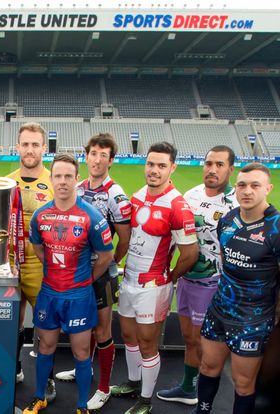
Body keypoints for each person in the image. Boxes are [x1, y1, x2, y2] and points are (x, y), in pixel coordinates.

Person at [195, 162, 280, 414]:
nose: (247, 191)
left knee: (243, 384)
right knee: (208, 367)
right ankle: (201, 411)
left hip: (252, 320)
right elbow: (226, 260)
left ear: (268, 188)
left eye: (255, 185)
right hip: (219, 310)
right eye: (242, 185)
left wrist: (273, 315)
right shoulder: (227, 220)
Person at [22, 153, 114, 414]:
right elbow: (39, 249)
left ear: (77, 179)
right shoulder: (40, 216)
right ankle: (39, 396)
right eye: (58, 176)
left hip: (78, 297)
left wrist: (85, 279)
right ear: (51, 179)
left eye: (68, 176)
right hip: (49, 294)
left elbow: (106, 255)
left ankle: (82, 406)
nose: (62, 181)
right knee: (45, 347)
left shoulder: (92, 217)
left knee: (82, 353)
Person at [112, 141, 200, 414]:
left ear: (172, 167)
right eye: (150, 164)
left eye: (161, 165)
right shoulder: (138, 196)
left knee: (148, 342)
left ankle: (146, 401)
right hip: (129, 280)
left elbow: (190, 253)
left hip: (154, 286)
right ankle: (132, 382)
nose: (154, 170)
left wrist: (168, 278)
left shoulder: (177, 206)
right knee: (128, 335)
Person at [55, 133, 132, 411]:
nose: (97, 159)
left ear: (111, 160)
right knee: (82, 326)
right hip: (76, 273)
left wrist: (108, 264)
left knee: (102, 329)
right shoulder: (79, 186)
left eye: (104, 155)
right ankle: (82, 368)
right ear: (85, 156)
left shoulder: (115, 194)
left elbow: (124, 238)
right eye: (93, 153)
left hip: (102, 275)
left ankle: (103, 387)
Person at [156, 146, 236, 407]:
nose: (212, 169)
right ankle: (188, 388)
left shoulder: (236, 203)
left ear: (230, 169)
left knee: (204, 342)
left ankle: (204, 396)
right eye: (209, 163)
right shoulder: (190, 195)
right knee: (189, 337)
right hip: (187, 280)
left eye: (220, 164)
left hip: (214, 284)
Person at [5, 122, 56, 402]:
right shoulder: (7, 180)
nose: (30, 149)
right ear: (18, 147)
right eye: (25, 144)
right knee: (11, 320)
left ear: (44, 149)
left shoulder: (53, 180)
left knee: (46, 325)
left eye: (35, 144)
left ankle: (47, 379)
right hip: (12, 262)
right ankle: (14, 368)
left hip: (40, 264)